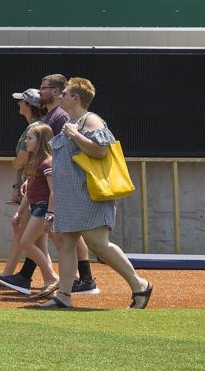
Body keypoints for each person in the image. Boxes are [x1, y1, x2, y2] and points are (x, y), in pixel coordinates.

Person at [38, 78, 152, 309]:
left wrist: (75, 135)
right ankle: (63, 296)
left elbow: (101, 151)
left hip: (89, 195)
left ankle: (139, 284)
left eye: (66, 93)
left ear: (75, 98)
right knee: (67, 243)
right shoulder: (70, 122)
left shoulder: (91, 120)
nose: (60, 96)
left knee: (98, 244)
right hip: (71, 198)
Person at [39, 73, 99, 295]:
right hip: (57, 180)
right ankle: (71, 286)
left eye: (44, 88)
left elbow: (99, 148)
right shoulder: (54, 115)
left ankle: (83, 279)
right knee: (64, 237)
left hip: (69, 184)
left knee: (89, 241)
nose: (40, 92)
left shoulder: (65, 118)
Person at [0, 88, 43, 294]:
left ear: (30, 106)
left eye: (22, 102)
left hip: (33, 185)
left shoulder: (34, 128)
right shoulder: (34, 127)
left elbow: (21, 162)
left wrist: (16, 165)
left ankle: (9, 275)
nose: (19, 104)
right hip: (30, 184)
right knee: (35, 238)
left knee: (22, 232)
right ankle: (18, 276)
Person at [14, 124, 59, 299]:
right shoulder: (34, 162)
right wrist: (19, 212)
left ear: (40, 141)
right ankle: (50, 283)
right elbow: (29, 191)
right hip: (36, 207)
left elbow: (53, 191)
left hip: (42, 208)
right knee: (41, 247)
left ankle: (52, 278)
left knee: (26, 242)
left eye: (30, 138)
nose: (26, 141)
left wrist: (50, 213)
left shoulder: (47, 162)